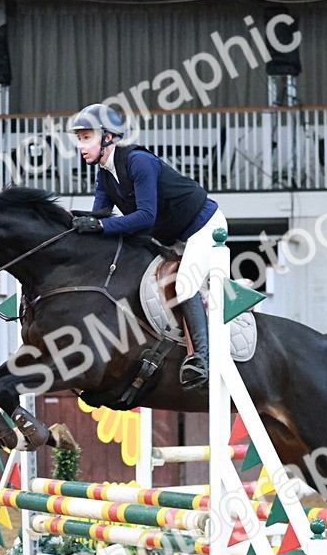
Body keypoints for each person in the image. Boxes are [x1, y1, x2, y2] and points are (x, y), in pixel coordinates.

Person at [68, 103, 227, 391]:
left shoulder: (138, 161)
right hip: (172, 235)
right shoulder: (104, 174)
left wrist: (100, 226)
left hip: (204, 227)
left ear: (107, 137)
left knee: (185, 286)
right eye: (79, 138)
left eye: (86, 137)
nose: (81, 145)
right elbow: (100, 217)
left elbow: (145, 216)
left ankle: (201, 360)